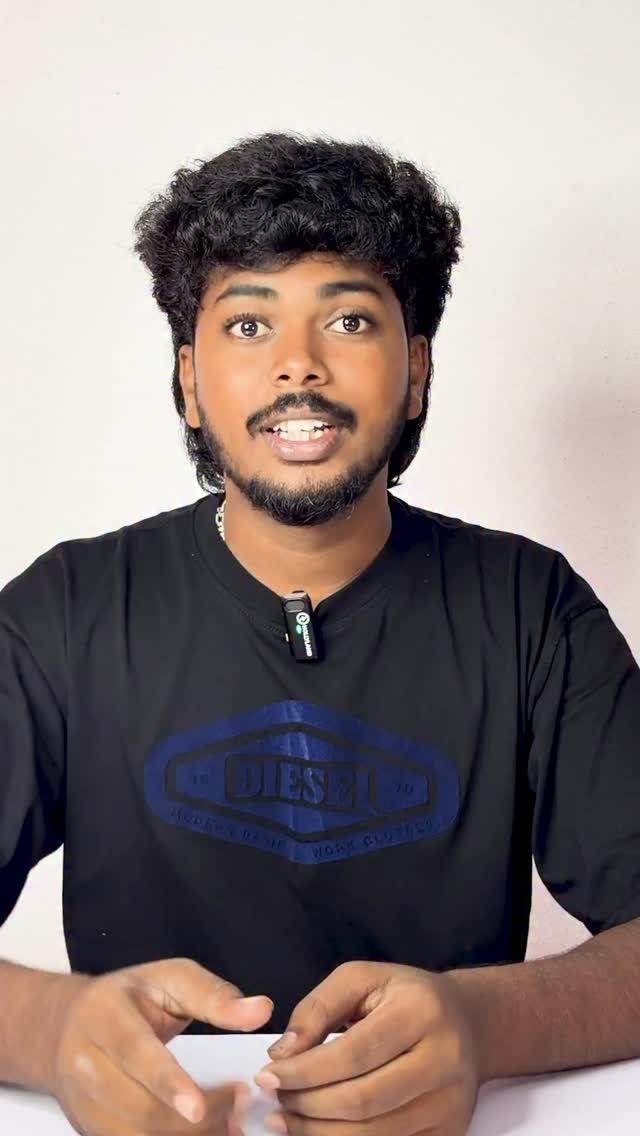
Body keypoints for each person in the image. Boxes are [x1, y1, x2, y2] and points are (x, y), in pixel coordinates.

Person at [1, 131, 639, 1136]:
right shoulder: (66, 611)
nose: (297, 363)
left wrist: (483, 1025)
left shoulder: (532, 609)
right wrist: (46, 1029)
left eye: (348, 318)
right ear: (188, 380)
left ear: (416, 369)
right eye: (248, 323)